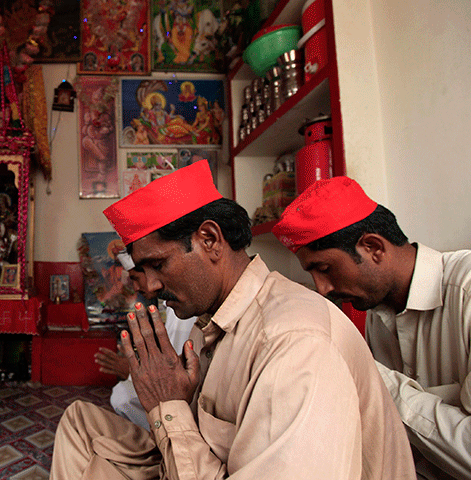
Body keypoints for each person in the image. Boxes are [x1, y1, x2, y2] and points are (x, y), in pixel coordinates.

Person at [50, 161, 416, 479]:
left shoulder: (294, 341)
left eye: (158, 264)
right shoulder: (212, 317)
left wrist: (169, 407)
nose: (153, 285)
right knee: (82, 423)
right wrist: (180, 399)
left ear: (210, 239)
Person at [272, 176, 471, 480]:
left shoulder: (466, 292)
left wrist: (371, 376)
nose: (322, 289)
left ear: (373, 247)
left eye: (325, 269)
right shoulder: (377, 313)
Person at [94, 250, 196, 430]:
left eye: (135, 278)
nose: (135, 287)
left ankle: (163, 442)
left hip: (187, 405)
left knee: (121, 397)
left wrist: (134, 373)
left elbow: (180, 372)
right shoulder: (169, 306)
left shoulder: (184, 311)